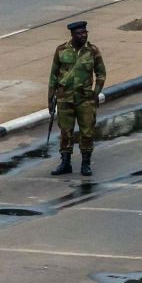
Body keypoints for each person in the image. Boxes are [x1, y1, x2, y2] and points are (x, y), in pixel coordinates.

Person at [48, 21, 107, 177]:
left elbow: (101, 73)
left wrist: (96, 92)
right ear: (72, 35)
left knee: (87, 132)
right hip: (64, 98)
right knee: (65, 132)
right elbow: (53, 75)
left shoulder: (93, 51)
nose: (84, 35)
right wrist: (50, 97)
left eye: (85, 32)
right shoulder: (61, 50)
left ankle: (85, 164)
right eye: (80, 33)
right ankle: (65, 162)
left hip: (85, 99)